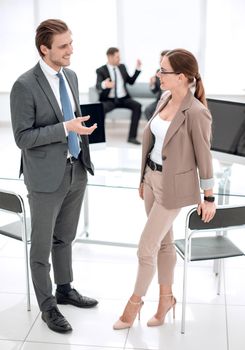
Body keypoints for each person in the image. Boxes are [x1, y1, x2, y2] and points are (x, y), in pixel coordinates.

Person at [113, 48, 216, 330]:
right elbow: (153, 143)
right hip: (152, 178)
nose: (158, 74)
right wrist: (143, 179)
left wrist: (209, 197)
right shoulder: (164, 98)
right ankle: (166, 300)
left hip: (174, 187)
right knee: (164, 243)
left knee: (146, 248)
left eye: (163, 70)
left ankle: (133, 305)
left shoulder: (197, 113)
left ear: (181, 77)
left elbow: (204, 157)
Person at [10, 19, 98, 334]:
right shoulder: (24, 85)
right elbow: (23, 138)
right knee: (42, 245)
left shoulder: (70, 76)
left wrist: (80, 131)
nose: (70, 50)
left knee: (66, 237)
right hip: (45, 178)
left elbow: (70, 116)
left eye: (71, 43)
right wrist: (65, 129)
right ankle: (48, 307)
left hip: (75, 169)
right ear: (44, 49)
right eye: (63, 46)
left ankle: (65, 288)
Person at [96, 47, 142, 145]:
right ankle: (99, 138)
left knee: (137, 106)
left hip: (124, 98)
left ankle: (132, 137)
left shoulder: (122, 67)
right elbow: (98, 85)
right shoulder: (101, 70)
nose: (119, 59)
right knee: (99, 109)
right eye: (117, 57)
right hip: (109, 100)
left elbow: (131, 81)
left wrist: (137, 69)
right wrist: (104, 84)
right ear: (109, 57)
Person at [144, 50, 169, 120]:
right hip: (160, 100)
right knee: (148, 110)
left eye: (162, 60)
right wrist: (152, 84)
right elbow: (155, 91)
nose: (160, 62)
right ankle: (153, 129)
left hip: (170, 101)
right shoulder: (158, 71)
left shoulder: (175, 74)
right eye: (160, 60)